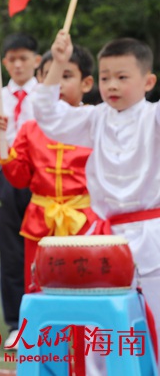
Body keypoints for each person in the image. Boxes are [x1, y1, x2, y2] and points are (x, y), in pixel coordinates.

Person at [33, 34, 160, 349]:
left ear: (148, 82)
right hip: (105, 238)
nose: (112, 85)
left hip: (153, 232)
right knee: (103, 322)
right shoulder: (95, 118)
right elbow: (47, 114)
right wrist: (59, 62)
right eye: (105, 78)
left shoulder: (154, 116)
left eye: (122, 77)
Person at [0, 48, 100, 291]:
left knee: (87, 287)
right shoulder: (31, 129)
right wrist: (1, 144)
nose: (57, 85)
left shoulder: (96, 122)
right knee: (41, 286)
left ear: (86, 83)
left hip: (85, 221)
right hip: (41, 223)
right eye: (49, 77)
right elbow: (19, 179)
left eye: (65, 76)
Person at [0, 33, 41, 346]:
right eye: (12, 59)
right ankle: (16, 323)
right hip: (7, 178)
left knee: (43, 250)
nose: (18, 64)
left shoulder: (45, 96)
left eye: (23, 58)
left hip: (40, 177)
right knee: (11, 253)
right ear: (4, 62)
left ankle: (46, 318)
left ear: (36, 60)